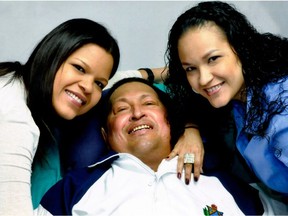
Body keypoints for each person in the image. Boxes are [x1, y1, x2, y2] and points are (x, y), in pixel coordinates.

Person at [0, 19, 200, 214]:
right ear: (51, 55)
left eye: (99, 84)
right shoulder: (14, 117)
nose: (87, 87)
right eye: (79, 68)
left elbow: (118, 78)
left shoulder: (17, 80)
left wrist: (190, 126)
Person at [35, 77, 261, 215]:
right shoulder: (72, 190)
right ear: (105, 135)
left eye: (149, 103)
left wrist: (191, 127)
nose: (137, 113)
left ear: (171, 121)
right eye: (121, 109)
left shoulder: (226, 185)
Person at [164, 0, 288, 213]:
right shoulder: (243, 93)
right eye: (191, 68)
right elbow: (175, 80)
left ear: (241, 49)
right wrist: (191, 129)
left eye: (213, 59)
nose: (203, 79)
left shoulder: (282, 115)